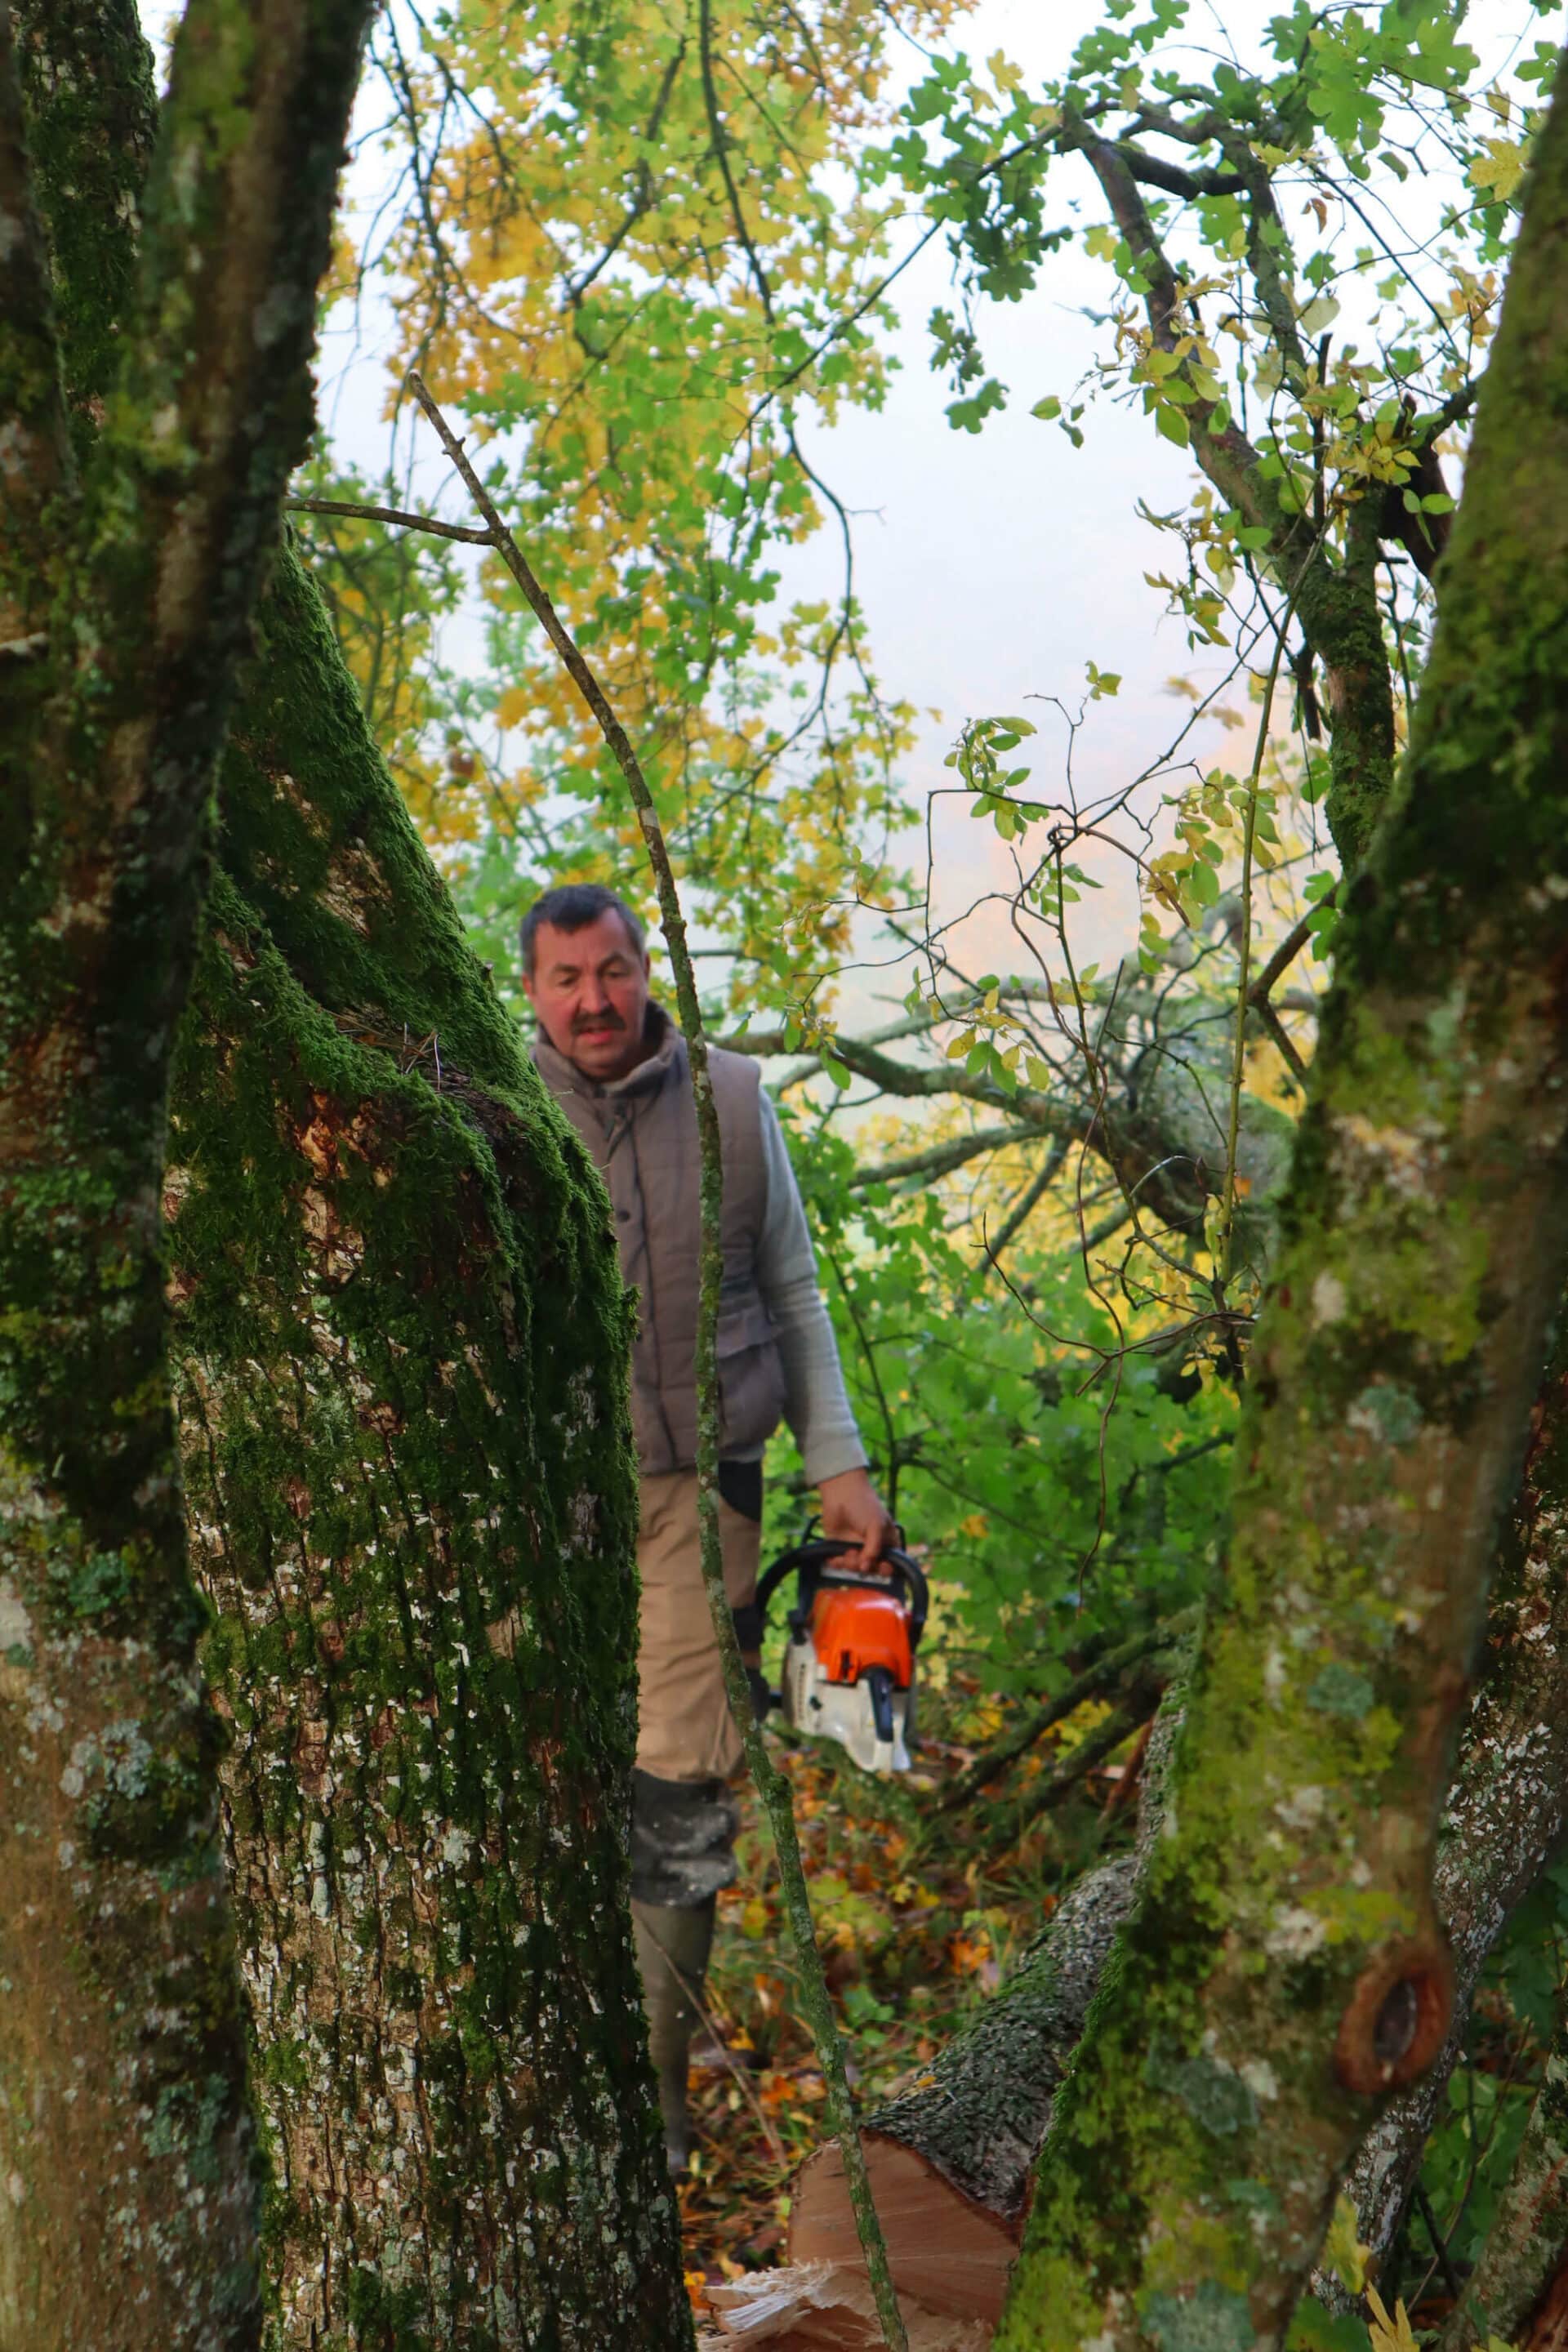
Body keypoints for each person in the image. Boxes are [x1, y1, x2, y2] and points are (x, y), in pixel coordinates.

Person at [521, 881, 893, 2172]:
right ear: (532, 994)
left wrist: (837, 1465)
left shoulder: (733, 1098)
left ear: (644, 970)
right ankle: (565, 2045)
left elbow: (791, 1285)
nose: (594, 1001)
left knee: (678, 1779)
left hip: (708, 1496)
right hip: (544, 1502)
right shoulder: (497, 1113)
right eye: (566, 980)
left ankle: (655, 2101)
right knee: (555, 1766)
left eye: (612, 971)